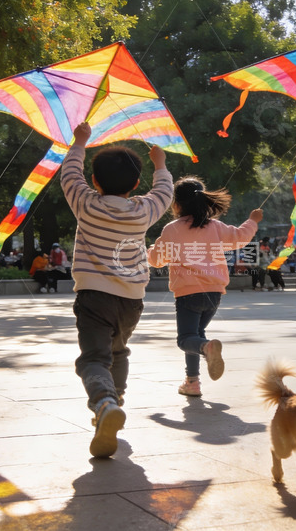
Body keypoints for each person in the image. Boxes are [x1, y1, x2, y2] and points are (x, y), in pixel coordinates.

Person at [61, 121, 172, 458]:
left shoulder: (86, 204)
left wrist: (80, 142)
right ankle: (114, 401)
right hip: (131, 299)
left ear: (94, 181)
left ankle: (105, 402)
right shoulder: (143, 211)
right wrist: (161, 165)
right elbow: (164, 193)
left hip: (93, 296)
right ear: (136, 184)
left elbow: (69, 173)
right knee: (119, 351)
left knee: (93, 358)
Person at [148, 176, 261, 397]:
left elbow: (157, 260)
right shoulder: (216, 227)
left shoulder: (172, 229)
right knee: (196, 334)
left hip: (188, 294)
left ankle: (205, 349)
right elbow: (240, 238)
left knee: (186, 339)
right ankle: (192, 382)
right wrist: (253, 221)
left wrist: (150, 250)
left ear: (177, 204)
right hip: (214, 294)